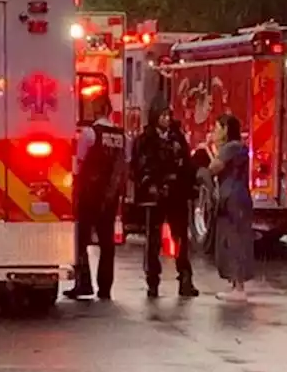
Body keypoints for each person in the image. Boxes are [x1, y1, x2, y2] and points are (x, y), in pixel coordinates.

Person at [131, 101, 199, 298]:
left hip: (177, 194)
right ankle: (153, 281)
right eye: (162, 115)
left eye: (168, 115)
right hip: (155, 197)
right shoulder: (145, 139)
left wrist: (187, 184)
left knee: (181, 239)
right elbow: (139, 166)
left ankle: (185, 278)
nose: (166, 119)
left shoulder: (177, 138)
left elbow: (187, 163)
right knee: (153, 241)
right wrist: (151, 185)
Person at [64, 96, 127, 301]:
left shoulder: (90, 134)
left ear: (98, 109)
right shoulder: (121, 135)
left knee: (81, 240)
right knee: (107, 243)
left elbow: (80, 163)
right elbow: (124, 163)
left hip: (90, 194)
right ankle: (105, 288)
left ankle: (84, 284)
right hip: (110, 196)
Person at [210, 113, 255, 300]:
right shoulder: (237, 148)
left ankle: (239, 287)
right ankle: (236, 285)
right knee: (232, 239)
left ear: (226, 129)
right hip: (236, 198)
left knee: (236, 240)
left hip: (234, 199)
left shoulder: (231, 147)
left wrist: (211, 150)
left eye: (217, 128)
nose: (214, 132)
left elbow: (214, 166)